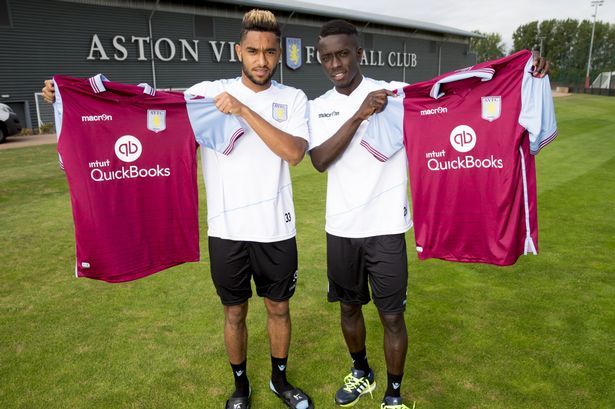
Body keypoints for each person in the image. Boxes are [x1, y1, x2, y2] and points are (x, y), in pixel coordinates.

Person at [43, 9, 313, 409]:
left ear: (279, 54)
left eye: (270, 52)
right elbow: (145, 103)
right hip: (227, 232)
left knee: (278, 308)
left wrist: (243, 109)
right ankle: (241, 388)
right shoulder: (207, 93)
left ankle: (279, 380)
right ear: (238, 51)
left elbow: (293, 153)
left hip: (276, 230)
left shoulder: (293, 98)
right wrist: (68, 94)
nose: (261, 60)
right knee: (234, 313)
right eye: (253, 51)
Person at [308, 20, 550, 409]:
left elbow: (459, 88)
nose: (335, 63)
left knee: (391, 317)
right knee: (349, 307)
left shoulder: (396, 95)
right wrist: (358, 114)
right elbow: (319, 160)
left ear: (359, 54)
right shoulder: (316, 107)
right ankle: (360, 371)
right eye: (327, 57)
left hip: (387, 228)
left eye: (343, 54)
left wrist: (526, 68)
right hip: (340, 228)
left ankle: (393, 395)